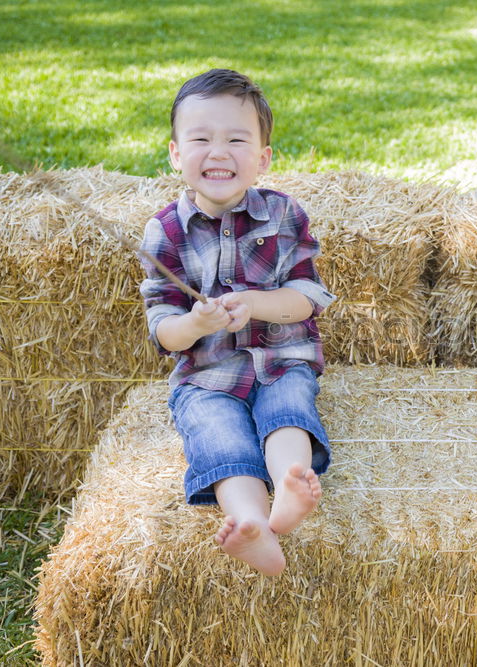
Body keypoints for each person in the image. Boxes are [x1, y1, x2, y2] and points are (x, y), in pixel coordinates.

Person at [138, 69, 335, 576]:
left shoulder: (285, 214)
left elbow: (308, 298)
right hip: (206, 377)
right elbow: (162, 328)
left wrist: (254, 302)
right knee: (216, 434)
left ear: (263, 158)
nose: (218, 152)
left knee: (288, 405)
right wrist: (196, 324)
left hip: (280, 359)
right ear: (176, 154)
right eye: (201, 139)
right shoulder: (163, 232)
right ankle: (251, 524)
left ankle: (290, 483)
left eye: (236, 139)